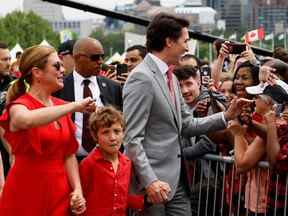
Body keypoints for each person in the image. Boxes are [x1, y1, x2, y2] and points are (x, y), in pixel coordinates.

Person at [123, 13, 250, 216]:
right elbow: (132, 138)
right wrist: (150, 181)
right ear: (169, 42)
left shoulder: (171, 77)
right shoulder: (141, 78)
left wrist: (226, 115)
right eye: (185, 41)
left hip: (178, 181)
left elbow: (188, 124)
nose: (187, 48)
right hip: (153, 187)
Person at [0, 45, 94, 215]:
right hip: (26, 192)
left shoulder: (61, 107)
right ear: (37, 73)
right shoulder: (20, 105)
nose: (63, 70)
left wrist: (77, 189)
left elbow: (69, 154)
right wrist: (73, 106)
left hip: (59, 192)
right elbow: (25, 120)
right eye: (57, 66)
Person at [55, 37, 122, 160]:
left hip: (105, 161)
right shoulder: (59, 88)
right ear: (78, 58)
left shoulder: (113, 88)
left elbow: (121, 123)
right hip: (70, 161)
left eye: (102, 56)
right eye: (95, 57)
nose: (100, 61)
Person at [80, 106, 147, 215]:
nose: (112, 137)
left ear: (123, 133)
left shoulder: (127, 163)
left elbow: (122, 197)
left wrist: (146, 201)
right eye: (106, 132)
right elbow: (80, 199)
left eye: (117, 131)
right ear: (95, 136)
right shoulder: (88, 164)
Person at [0, 42, 12, 177]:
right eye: (4, 60)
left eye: (9, 59)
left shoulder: (14, 85)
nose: (9, 63)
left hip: (9, 151)